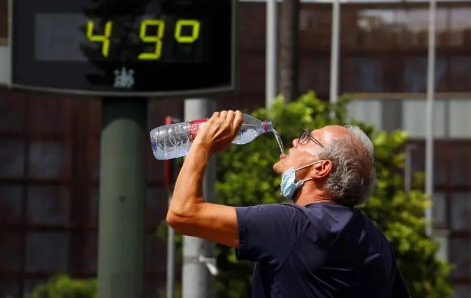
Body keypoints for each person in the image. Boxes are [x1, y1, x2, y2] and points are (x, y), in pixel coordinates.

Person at [166, 110, 411, 298]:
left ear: (321, 168)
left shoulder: (293, 226)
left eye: (307, 139)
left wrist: (202, 145)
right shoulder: (374, 239)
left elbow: (183, 213)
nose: (295, 140)